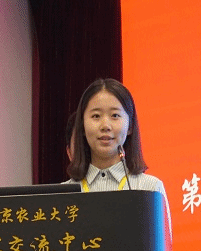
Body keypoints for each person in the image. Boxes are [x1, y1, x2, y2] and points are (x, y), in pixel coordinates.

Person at [66, 78, 171, 210]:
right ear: (82, 126)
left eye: (115, 115)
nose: (105, 125)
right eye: (96, 116)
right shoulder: (64, 193)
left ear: (130, 126)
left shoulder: (150, 189)